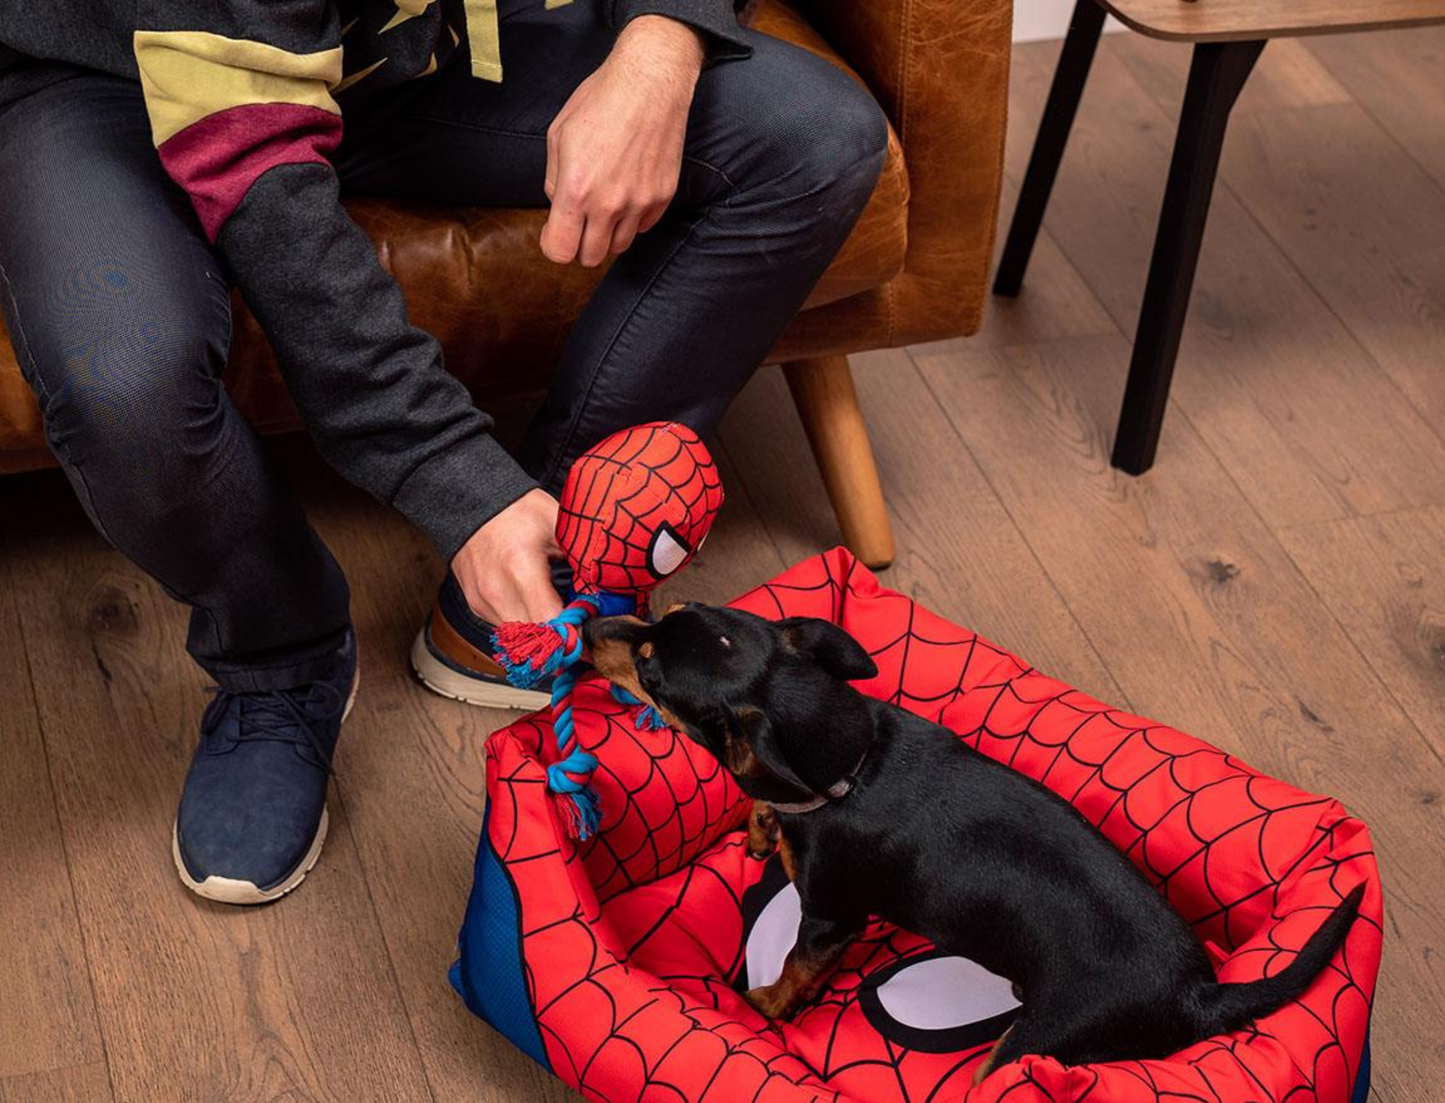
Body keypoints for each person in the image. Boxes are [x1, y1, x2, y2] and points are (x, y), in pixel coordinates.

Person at [0, 1, 888, 904]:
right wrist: (459, 488)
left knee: (814, 137)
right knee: (125, 390)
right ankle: (280, 660)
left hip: (411, 50)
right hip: (121, 81)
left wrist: (663, 39)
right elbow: (258, 174)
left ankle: (522, 589)